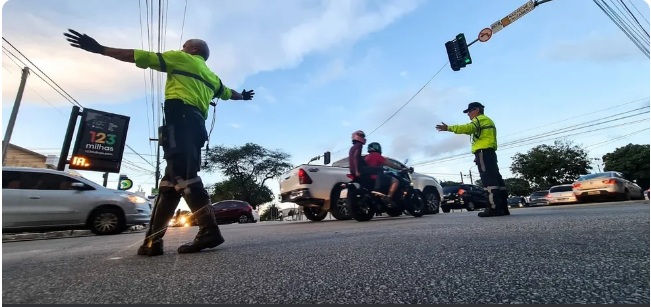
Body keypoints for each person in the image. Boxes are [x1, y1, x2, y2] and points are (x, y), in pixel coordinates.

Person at [63, 29, 255, 256]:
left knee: (185, 177)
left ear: (193, 50)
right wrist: (242, 96)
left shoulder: (182, 58)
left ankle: (209, 230)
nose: (181, 48)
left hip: (180, 121)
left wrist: (100, 49)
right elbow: (227, 93)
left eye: (184, 46)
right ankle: (152, 242)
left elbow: (140, 56)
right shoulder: (212, 77)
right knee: (168, 186)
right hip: (195, 127)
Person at [435, 102, 509, 217]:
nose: (468, 114)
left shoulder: (479, 120)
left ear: (477, 110)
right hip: (488, 152)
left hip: (483, 152)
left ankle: (494, 208)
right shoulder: (487, 120)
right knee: (497, 180)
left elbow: (469, 128)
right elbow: (483, 138)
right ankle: (503, 207)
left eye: (469, 111)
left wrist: (449, 128)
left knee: (488, 180)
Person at [364, 142, 403, 207]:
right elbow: (390, 164)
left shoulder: (367, 157)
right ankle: (389, 197)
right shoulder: (376, 155)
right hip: (377, 177)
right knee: (395, 181)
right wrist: (400, 168)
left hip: (368, 177)